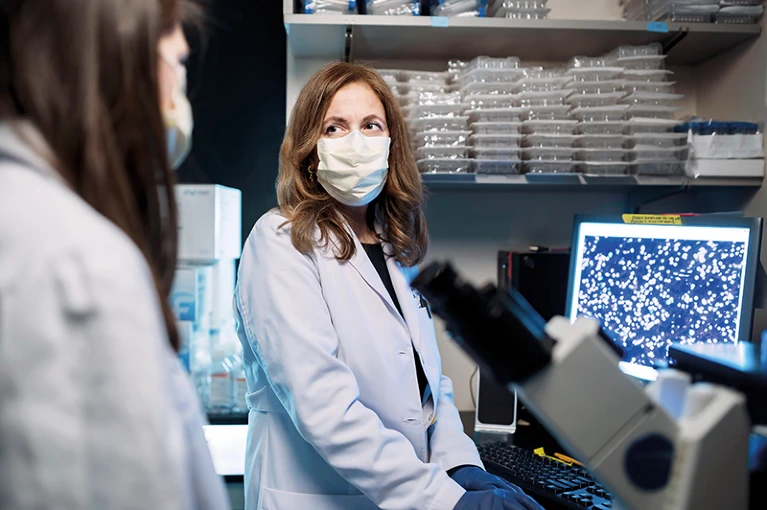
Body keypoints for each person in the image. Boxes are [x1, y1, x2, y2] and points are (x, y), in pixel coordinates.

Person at [234, 62, 543, 510]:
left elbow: (429, 385)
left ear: (391, 142)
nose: (356, 142)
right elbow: (324, 408)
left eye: (370, 125)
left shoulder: (394, 243)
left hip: (408, 493)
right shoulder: (280, 241)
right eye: (334, 127)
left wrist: (460, 466)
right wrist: (446, 501)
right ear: (309, 150)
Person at [0, 0, 228, 508]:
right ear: (119, 58)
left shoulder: (28, 217)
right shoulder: (80, 265)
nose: (179, 84)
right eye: (176, 58)